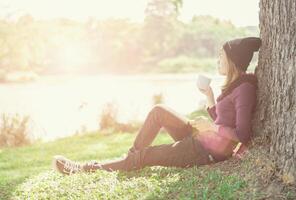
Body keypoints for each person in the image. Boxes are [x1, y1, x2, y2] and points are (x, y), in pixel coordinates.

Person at [53, 37, 262, 175]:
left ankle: (84, 169)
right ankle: (129, 159)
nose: (218, 60)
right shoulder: (236, 86)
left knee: (148, 156)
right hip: (203, 139)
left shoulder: (244, 89)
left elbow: (243, 134)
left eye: (221, 57)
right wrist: (209, 97)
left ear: (232, 61)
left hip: (205, 152)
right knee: (158, 111)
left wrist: (211, 128)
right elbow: (223, 118)